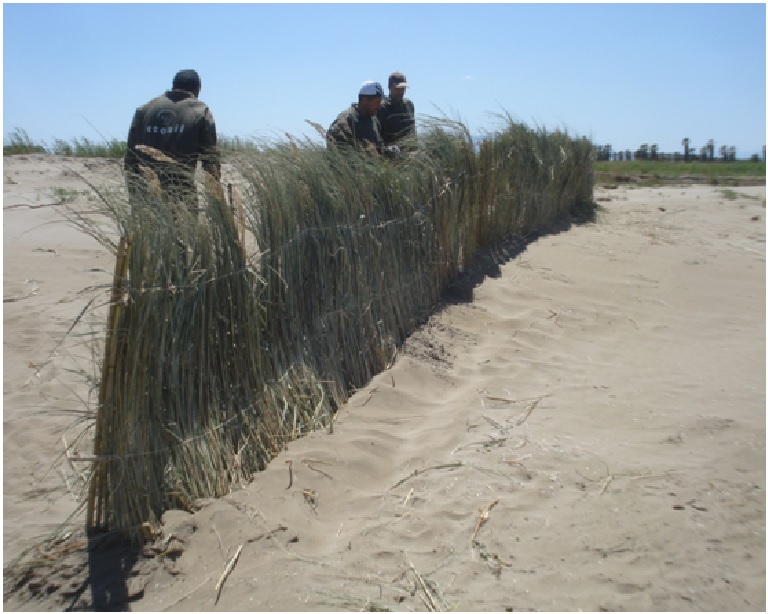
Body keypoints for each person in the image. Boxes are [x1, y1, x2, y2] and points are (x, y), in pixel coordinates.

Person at [124, 69, 221, 214]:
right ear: (197, 89)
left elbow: (130, 160)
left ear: (173, 85)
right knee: (184, 236)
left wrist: (135, 199)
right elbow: (211, 162)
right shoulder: (200, 111)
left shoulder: (144, 110)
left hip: (146, 198)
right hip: (182, 197)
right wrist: (217, 204)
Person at [377, 71, 416, 148]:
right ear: (389, 86)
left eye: (403, 88)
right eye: (398, 88)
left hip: (409, 154)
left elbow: (412, 132)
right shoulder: (381, 108)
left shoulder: (409, 105)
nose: (401, 91)